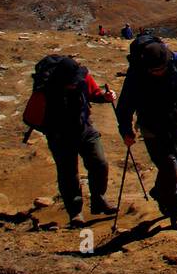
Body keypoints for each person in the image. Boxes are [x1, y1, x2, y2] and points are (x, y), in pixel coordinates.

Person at [114, 35, 177, 230]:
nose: (159, 72)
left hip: (175, 122)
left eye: (162, 68)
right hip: (151, 127)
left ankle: (159, 190)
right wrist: (126, 130)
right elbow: (124, 107)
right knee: (169, 164)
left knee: (174, 162)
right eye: (154, 70)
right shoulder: (136, 74)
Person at [34, 55, 117, 226]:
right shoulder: (47, 87)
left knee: (100, 163)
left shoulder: (83, 76)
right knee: (68, 173)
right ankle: (75, 211)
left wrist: (105, 97)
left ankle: (99, 199)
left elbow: (94, 93)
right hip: (59, 134)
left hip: (84, 128)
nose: (74, 84)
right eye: (70, 82)